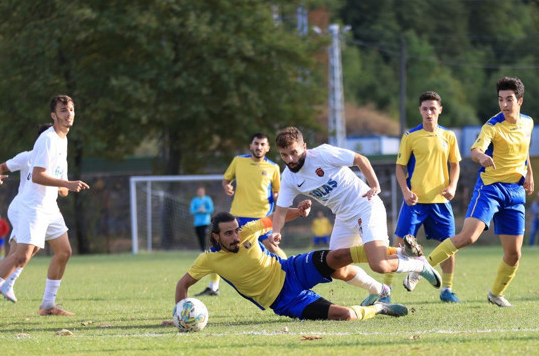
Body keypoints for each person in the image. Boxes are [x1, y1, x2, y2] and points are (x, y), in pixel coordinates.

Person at [270, 126, 441, 306]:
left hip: (366, 206)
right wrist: (275, 231)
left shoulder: (323, 154)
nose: (290, 159)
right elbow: (280, 211)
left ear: (304, 147)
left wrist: (375, 185)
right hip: (343, 217)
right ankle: (378, 290)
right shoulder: (289, 178)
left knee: (379, 264)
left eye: (293, 153)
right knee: (335, 267)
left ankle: (419, 265)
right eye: (284, 155)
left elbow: (360, 159)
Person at [0, 95, 90, 320]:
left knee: (64, 251)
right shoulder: (47, 139)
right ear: (53, 115)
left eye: (72, 109)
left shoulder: (63, 140)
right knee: (21, 256)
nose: (69, 114)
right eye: (63, 110)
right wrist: (67, 184)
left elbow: (58, 181)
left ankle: (47, 305)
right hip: (32, 206)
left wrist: (66, 188)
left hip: (49, 208)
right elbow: (37, 176)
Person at [174, 211, 410, 322]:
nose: (236, 236)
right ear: (216, 237)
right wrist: (180, 313)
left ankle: (396, 252)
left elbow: (275, 218)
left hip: (290, 269)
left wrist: (298, 211)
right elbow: (183, 283)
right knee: (345, 315)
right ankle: (379, 308)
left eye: (236, 230)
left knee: (337, 258)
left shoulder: (248, 231)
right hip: (285, 302)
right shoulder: (208, 259)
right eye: (229, 233)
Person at [424, 76, 534, 307]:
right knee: (469, 237)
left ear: (520, 101)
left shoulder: (528, 123)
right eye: (500, 100)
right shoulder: (492, 126)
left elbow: (524, 151)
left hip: (515, 193)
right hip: (491, 189)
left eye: (509, 100)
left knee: (514, 254)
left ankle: (495, 294)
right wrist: (482, 156)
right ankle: (422, 266)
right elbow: (474, 150)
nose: (504, 105)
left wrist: (530, 174)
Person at [389, 91, 462, 303]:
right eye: (425, 109)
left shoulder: (449, 136)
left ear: (440, 109)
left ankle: (447, 290)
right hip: (415, 202)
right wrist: (405, 191)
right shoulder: (410, 136)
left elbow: (455, 164)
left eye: (432, 108)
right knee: (398, 246)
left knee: (449, 246)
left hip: (441, 202)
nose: (429, 112)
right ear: (420, 110)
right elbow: (399, 168)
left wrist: (453, 186)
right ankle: (386, 291)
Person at [196, 132, 282, 297]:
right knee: (219, 249)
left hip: (262, 216)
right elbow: (226, 180)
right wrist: (227, 186)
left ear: (268, 148)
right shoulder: (238, 161)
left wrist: (277, 197)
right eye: (256, 143)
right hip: (237, 216)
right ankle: (213, 287)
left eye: (263, 144)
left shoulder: (273, 168)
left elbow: (278, 191)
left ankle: (287, 274)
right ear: (251, 145)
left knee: (272, 247)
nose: (259, 147)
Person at [0, 123, 53, 303]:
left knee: (23, 253)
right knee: (20, 255)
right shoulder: (27, 156)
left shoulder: (55, 159)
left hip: (40, 209)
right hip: (24, 208)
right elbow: (0, 167)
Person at [189, 186, 213, 252]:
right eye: (199, 192)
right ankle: (202, 250)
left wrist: (205, 210)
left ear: (204, 192)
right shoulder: (195, 200)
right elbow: (192, 210)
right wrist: (198, 210)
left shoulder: (207, 199)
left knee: (204, 235)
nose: (200, 193)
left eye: (201, 191)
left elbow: (211, 209)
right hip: (197, 222)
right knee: (199, 236)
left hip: (205, 222)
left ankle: (207, 249)